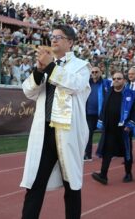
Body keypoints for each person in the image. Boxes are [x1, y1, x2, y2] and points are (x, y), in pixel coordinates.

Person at [20, 25, 89, 219]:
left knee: (72, 184)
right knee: (35, 182)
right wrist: (39, 70)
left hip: (68, 133)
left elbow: (74, 85)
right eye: (53, 36)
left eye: (59, 37)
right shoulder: (46, 65)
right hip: (44, 133)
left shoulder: (81, 66)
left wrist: (50, 66)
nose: (54, 40)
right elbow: (28, 91)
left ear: (71, 42)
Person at [91, 70, 135, 185]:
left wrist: (130, 125)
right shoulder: (109, 92)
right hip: (110, 128)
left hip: (123, 129)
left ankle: (128, 173)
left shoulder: (130, 94)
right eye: (114, 79)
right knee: (107, 152)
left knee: (127, 152)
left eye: (119, 78)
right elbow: (104, 108)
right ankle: (103, 175)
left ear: (124, 81)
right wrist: (101, 122)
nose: (116, 80)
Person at [85, 66, 111, 161]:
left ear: (100, 73)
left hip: (102, 114)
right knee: (88, 134)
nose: (94, 74)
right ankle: (88, 155)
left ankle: (106, 153)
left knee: (106, 134)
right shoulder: (87, 83)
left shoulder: (106, 83)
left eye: (96, 72)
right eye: (93, 72)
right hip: (90, 113)